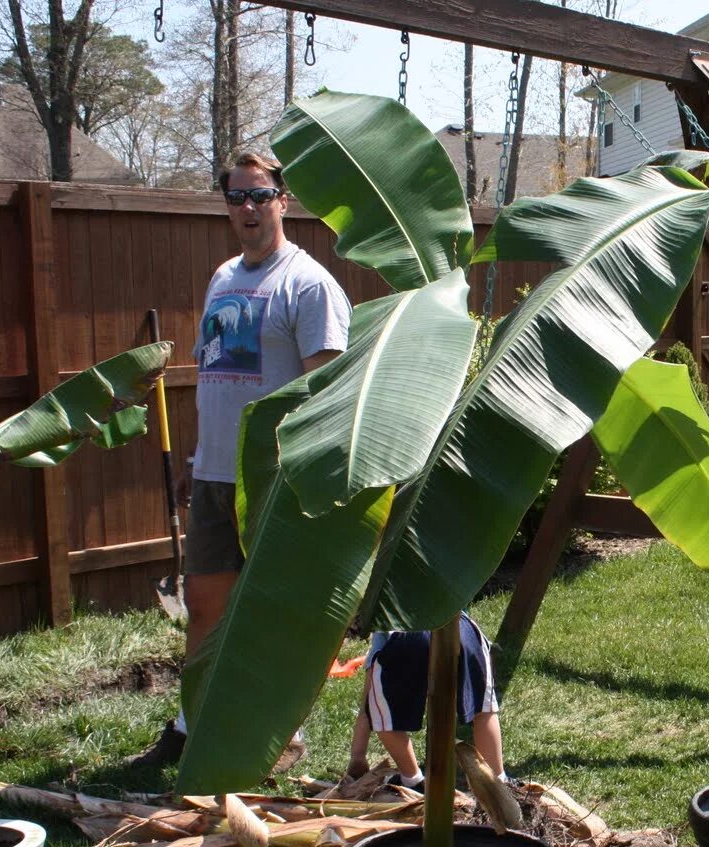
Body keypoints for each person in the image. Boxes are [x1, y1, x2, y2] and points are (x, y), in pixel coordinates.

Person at [129, 152, 351, 770]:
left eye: (260, 196)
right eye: (236, 197)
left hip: (272, 481)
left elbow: (325, 393)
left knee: (272, 618)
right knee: (203, 606)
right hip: (213, 474)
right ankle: (189, 728)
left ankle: (281, 738)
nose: (248, 209)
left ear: (284, 199)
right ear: (225, 204)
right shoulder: (223, 277)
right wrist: (198, 456)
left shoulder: (309, 285)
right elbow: (216, 375)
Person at [345, 614, 508, 791]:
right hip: (462, 629)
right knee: (484, 711)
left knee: (383, 717)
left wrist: (358, 756)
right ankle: (499, 782)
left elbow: (367, 707)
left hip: (408, 634)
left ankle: (413, 780)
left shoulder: (384, 621)